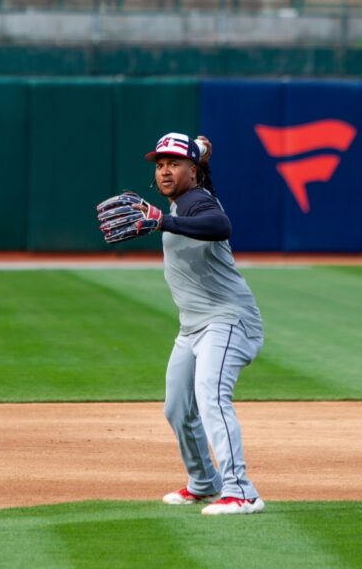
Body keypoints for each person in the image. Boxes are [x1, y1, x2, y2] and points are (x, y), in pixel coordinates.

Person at [141, 132, 266, 515]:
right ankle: (204, 482)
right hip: (193, 326)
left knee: (211, 397)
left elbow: (219, 225)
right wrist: (202, 154)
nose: (164, 172)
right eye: (160, 165)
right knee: (178, 408)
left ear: (191, 172)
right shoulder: (186, 198)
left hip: (228, 320)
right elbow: (198, 184)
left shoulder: (196, 200)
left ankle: (241, 491)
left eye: (173, 164)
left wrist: (163, 222)